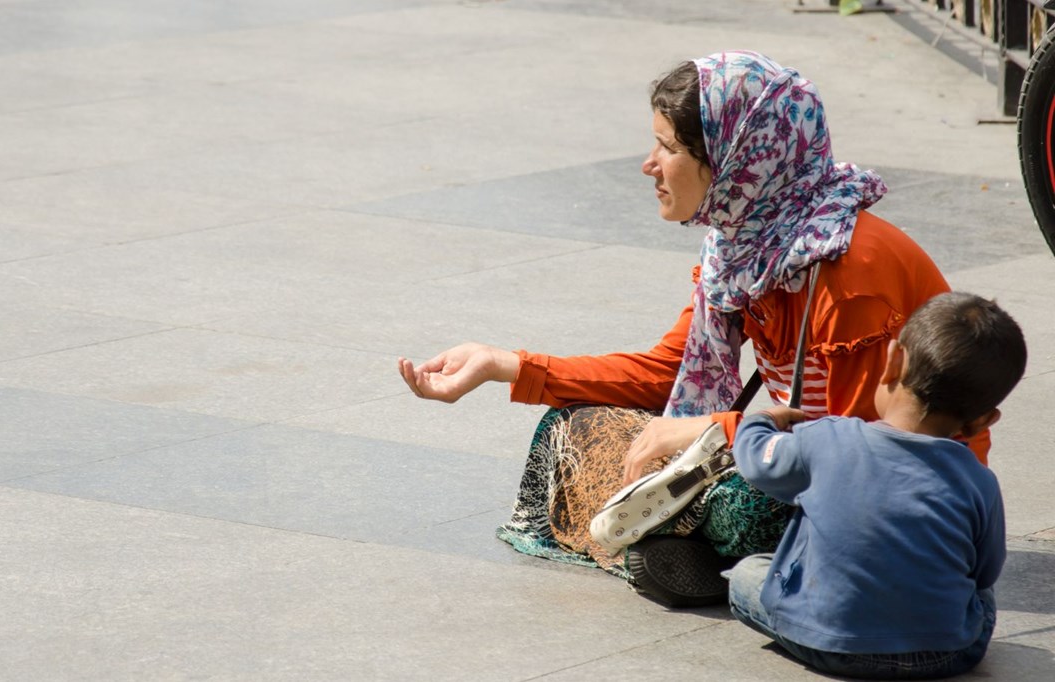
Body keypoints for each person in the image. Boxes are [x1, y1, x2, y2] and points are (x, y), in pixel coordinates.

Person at [397, 51, 987, 606]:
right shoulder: (744, 245)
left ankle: (664, 550)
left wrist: (708, 432)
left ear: (737, 161)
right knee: (572, 425)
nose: (649, 165)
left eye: (668, 147)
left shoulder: (851, 271)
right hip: (782, 446)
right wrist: (507, 364)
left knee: (745, 506)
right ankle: (669, 551)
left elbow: (859, 449)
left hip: (880, 496)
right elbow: (666, 373)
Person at [726, 292, 1023, 679]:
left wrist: (762, 419)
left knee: (748, 574)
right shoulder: (979, 481)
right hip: (945, 652)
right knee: (978, 595)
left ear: (892, 362)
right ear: (983, 421)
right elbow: (985, 572)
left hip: (824, 642)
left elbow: (755, 459)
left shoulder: (826, 439)